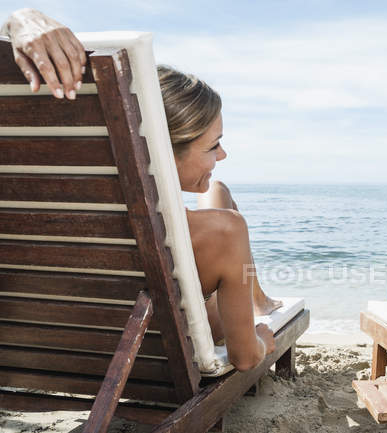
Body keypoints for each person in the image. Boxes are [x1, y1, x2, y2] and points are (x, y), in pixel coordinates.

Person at [3, 8, 282, 371]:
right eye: (213, 146)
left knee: (218, 190)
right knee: (223, 212)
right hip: (147, 353)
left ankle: (258, 295)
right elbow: (245, 358)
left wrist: (17, 19)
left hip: (48, 348)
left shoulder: (57, 215)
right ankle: (258, 302)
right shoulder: (224, 233)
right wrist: (263, 338)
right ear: (166, 149)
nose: (223, 153)